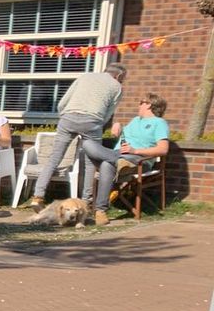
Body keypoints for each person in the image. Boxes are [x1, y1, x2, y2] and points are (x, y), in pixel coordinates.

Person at [28, 62, 127, 210]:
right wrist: (98, 124)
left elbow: (63, 103)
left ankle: (38, 196)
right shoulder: (117, 87)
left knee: (54, 158)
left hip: (68, 117)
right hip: (92, 121)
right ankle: (86, 201)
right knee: (90, 162)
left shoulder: (85, 76)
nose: (121, 81)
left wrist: (65, 116)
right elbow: (108, 114)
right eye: (122, 79)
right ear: (118, 76)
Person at [79, 92, 169, 226]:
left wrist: (135, 150)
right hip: (118, 155)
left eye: (141, 102)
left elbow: (163, 149)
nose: (138, 105)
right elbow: (122, 133)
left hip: (138, 159)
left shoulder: (159, 123)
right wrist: (117, 125)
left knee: (106, 164)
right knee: (87, 143)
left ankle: (100, 210)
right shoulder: (135, 120)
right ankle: (118, 164)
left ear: (149, 105)